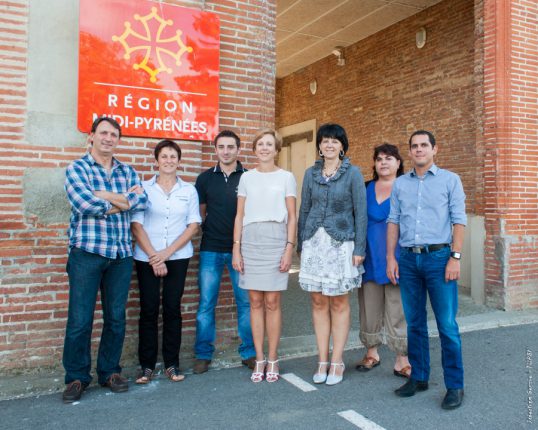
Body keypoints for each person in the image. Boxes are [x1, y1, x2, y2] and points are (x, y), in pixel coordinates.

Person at [62, 117, 147, 403]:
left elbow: (141, 201)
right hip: (86, 253)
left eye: (114, 134)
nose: (108, 138)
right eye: (104, 133)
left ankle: (109, 371)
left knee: (115, 318)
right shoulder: (77, 168)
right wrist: (122, 200)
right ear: (92, 136)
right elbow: (84, 204)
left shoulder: (127, 171)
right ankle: (76, 377)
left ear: (118, 140)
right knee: (80, 320)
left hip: (121, 255)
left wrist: (106, 195)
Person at [387, 130, 466, 410]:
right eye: (414, 146)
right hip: (408, 260)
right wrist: (391, 258)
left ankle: (455, 386)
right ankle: (419, 377)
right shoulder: (400, 185)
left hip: (439, 259)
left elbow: (459, 222)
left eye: (424, 145)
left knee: (446, 325)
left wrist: (455, 258)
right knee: (415, 323)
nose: (419, 150)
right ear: (409, 152)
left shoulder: (450, 181)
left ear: (434, 150)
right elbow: (393, 221)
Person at [297, 123, 367, 386]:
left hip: (341, 245)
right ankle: (322, 360)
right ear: (319, 145)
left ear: (342, 145)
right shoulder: (310, 173)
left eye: (334, 141)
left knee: (338, 302)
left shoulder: (353, 174)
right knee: (317, 302)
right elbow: (304, 210)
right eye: (325, 140)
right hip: (315, 244)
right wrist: (300, 244)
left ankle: (337, 360)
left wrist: (360, 249)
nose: (329, 145)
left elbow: (361, 213)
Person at [131, 139, 201, 384]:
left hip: (178, 257)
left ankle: (172, 364)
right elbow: (136, 225)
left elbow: (193, 225)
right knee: (148, 309)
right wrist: (154, 256)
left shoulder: (188, 190)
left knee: (172, 309)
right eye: (164, 156)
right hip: (146, 258)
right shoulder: (143, 187)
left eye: (173, 156)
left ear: (179, 161)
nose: (169, 160)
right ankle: (146, 366)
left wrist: (166, 254)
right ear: (156, 161)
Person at [232, 128, 297, 383]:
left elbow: (292, 216)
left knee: (272, 302)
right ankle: (259, 358)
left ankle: (273, 357)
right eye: (260, 144)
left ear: (276, 148)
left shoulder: (286, 177)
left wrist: (289, 248)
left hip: (276, 238)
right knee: (255, 302)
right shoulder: (247, 178)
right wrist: (236, 248)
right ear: (255, 149)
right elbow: (239, 215)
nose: (265, 148)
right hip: (250, 239)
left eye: (269, 144)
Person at [193, 130, 255, 374]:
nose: (226, 151)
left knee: (245, 304)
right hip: (211, 249)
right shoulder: (205, 179)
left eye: (231, 147)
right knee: (206, 304)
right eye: (221, 147)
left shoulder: (250, 178)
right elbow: (201, 214)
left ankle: (249, 352)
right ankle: (202, 353)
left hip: (241, 250)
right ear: (215, 149)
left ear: (238, 150)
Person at [356, 143, 411, 378]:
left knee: (398, 308)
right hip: (369, 257)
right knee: (369, 307)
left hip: (398, 257)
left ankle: (402, 358)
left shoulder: (408, 188)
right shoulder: (365, 187)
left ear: (399, 163)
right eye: (379, 159)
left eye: (389, 158)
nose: (384, 163)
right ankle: (372, 352)